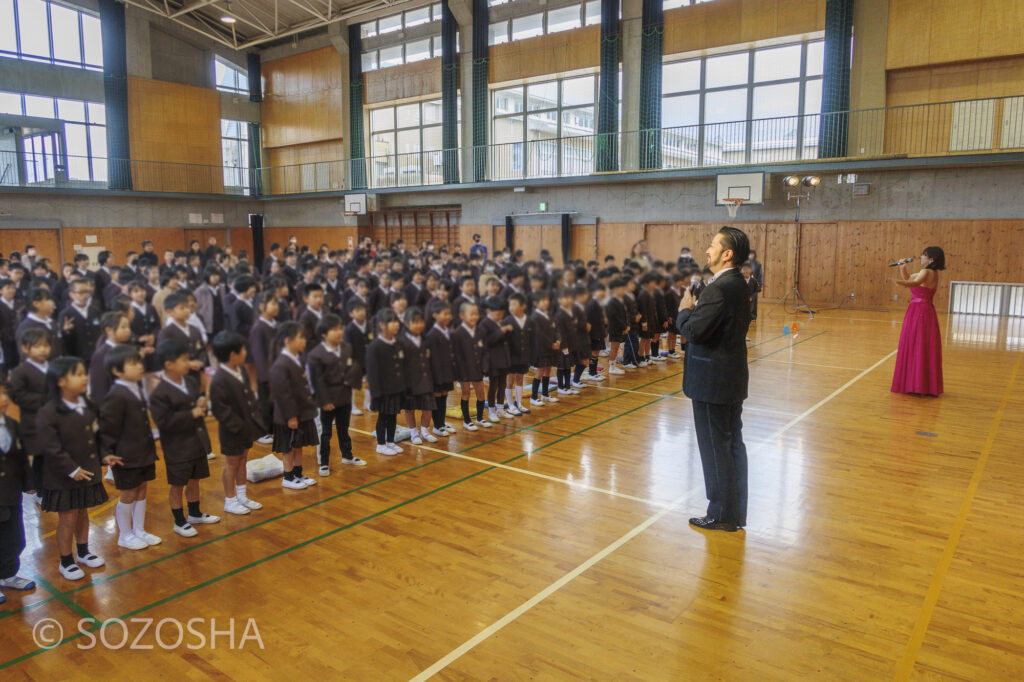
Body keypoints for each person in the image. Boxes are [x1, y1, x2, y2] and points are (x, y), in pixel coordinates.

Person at [676, 226, 752, 533]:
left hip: (712, 381)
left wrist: (684, 308)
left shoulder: (719, 288)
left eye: (712, 245)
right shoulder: (738, 284)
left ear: (727, 254)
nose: (707, 250)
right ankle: (733, 512)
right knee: (732, 445)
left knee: (716, 448)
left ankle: (720, 514)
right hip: (729, 378)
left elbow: (694, 331)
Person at [36, 357, 117, 580]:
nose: (84, 378)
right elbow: (51, 448)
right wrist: (72, 470)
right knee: (68, 518)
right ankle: (66, 561)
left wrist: (104, 455)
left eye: (85, 373)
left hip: (88, 472)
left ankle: (83, 552)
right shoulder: (49, 412)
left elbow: (96, 437)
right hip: (64, 477)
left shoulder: (88, 405)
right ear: (61, 381)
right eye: (78, 374)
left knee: (83, 513)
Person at [149, 339, 220, 538]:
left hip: (195, 441)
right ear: (168, 364)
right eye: (183, 360)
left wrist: (200, 403)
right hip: (177, 446)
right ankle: (179, 521)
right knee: (178, 484)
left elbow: (196, 406)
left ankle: (195, 513)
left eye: (188, 359)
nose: (188, 363)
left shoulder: (189, 380)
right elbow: (163, 422)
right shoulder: (160, 393)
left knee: (195, 480)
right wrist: (192, 414)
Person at [99, 345, 161, 550]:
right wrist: (107, 454)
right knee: (128, 493)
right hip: (125, 455)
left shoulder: (136, 387)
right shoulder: (116, 394)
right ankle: (124, 535)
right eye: (132, 364)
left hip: (142, 451)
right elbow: (107, 428)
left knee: (142, 489)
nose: (139, 366)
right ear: (117, 370)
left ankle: (139, 530)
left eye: (138, 362)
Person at [209, 331, 267, 515]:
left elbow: (248, 395)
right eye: (242, 349)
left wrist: (253, 419)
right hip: (232, 431)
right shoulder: (219, 379)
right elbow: (221, 411)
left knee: (243, 461)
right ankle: (230, 499)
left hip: (245, 427)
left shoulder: (240, 369)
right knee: (232, 463)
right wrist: (239, 427)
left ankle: (242, 495)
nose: (245, 352)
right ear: (232, 354)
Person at [307, 314, 366, 473]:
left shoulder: (347, 347)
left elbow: (351, 367)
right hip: (327, 400)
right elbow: (317, 381)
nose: (339, 332)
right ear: (324, 334)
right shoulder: (316, 354)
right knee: (325, 433)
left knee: (343, 428)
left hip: (344, 397)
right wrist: (324, 400)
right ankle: (324, 462)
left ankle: (347, 455)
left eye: (340, 328)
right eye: (334, 330)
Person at [270, 323, 320, 489]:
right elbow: (283, 394)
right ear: (287, 340)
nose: (303, 341)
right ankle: (288, 476)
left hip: (301, 411)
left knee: (299, 444)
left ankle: (298, 473)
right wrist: (290, 416)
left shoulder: (297, 359)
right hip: (288, 415)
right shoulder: (281, 364)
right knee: (289, 447)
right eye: (300, 337)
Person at [891, 247, 945, 397]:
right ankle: (920, 384)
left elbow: (913, 284)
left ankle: (916, 384)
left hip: (919, 311)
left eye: (924, 255)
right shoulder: (931, 272)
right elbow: (910, 279)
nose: (921, 257)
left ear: (931, 259)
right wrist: (903, 268)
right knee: (921, 346)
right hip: (924, 311)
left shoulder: (926, 272)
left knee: (917, 344)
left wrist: (899, 282)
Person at [0, 384, 36, 600]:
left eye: (4, 393)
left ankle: (8, 574)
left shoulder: (12, 424)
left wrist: (28, 482)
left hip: (11, 493)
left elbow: (22, 458)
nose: (4, 398)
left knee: (14, 537)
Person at [8, 329, 50, 497]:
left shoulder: (52, 367)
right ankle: (41, 491)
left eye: (46, 345)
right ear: (25, 349)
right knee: (39, 457)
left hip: (53, 420)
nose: (43, 349)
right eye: (37, 346)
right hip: (33, 422)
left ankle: (51, 487)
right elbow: (19, 396)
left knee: (52, 453)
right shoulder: (20, 371)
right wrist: (47, 398)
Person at [365, 309, 407, 454]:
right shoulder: (375, 346)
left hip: (396, 387)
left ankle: (390, 441)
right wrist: (376, 393)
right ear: (382, 325)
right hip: (383, 390)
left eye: (396, 321)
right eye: (391, 322)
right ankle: (381, 444)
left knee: (393, 415)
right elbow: (372, 373)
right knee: (383, 416)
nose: (396, 325)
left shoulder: (398, 343)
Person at [399, 308, 438, 444]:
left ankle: (425, 431)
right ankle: (414, 433)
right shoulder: (401, 341)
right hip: (409, 382)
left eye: (421, 322)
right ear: (406, 324)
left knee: (428, 407)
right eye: (415, 322)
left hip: (426, 379)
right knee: (410, 408)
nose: (419, 325)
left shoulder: (425, 338)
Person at [452, 302, 492, 430]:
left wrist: (485, 367)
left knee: (481, 394)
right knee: (466, 394)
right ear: (462, 316)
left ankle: (480, 418)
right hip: (464, 371)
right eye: (471, 314)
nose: (475, 317)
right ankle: (467, 421)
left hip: (478, 369)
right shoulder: (458, 333)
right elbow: (456, 355)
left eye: (476, 314)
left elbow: (485, 350)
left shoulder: (481, 330)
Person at [425, 302, 458, 437]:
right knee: (438, 398)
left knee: (444, 396)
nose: (448, 317)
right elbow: (433, 359)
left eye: (449, 314)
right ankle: (437, 426)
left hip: (447, 371)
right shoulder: (432, 334)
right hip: (437, 373)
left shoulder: (447, 331)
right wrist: (437, 376)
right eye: (444, 314)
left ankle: (442, 423)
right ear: (435, 315)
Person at [503, 292, 533, 415]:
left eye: (514, 304)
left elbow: (532, 338)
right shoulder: (507, 321)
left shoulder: (529, 320)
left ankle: (519, 403)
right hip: (511, 357)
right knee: (509, 381)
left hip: (523, 356)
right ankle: (510, 405)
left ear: (523, 306)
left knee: (520, 379)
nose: (511, 307)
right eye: (510, 304)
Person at [529, 291, 559, 406]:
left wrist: (557, 340)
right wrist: (551, 344)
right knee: (540, 371)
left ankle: (545, 394)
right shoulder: (535, 317)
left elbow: (555, 329)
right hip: (541, 348)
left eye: (547, 300)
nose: (545, 303)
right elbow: (539, 334)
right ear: (535, 303)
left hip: (551, 347)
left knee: (548, 370)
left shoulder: (548, 314)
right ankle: (533, 396)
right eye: (542, 301)